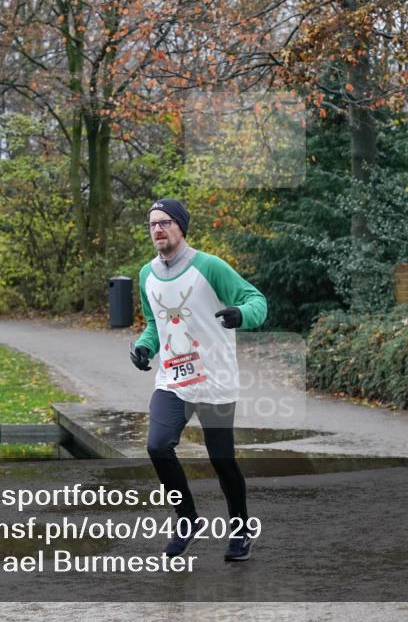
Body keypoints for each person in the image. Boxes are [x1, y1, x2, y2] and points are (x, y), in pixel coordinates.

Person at [130, 198, 268, 562]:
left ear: (181, 227)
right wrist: (144, 347)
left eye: (165, 222)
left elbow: (257, 300)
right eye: (152, 224)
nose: (157, 229)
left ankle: (240, 529)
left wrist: (242, 314)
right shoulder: (147, 275)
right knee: (158, 446)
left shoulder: (210, 266)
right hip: (173, 381)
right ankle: (187, 519)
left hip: (215, 380)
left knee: (221, 459)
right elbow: (153, 324)